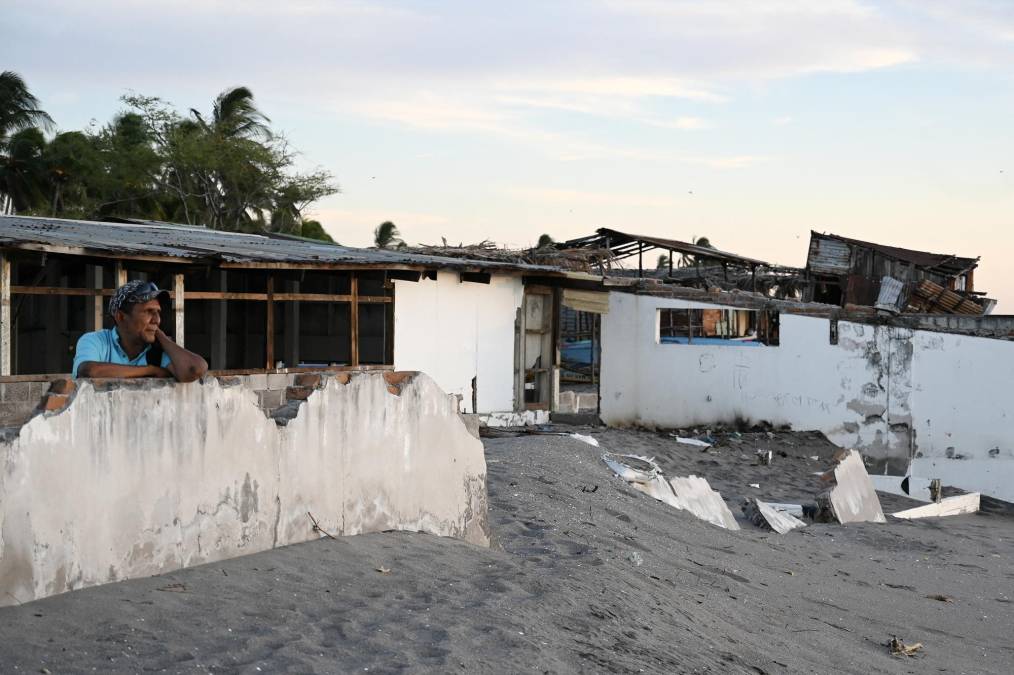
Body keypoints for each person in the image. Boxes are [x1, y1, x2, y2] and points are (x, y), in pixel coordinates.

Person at [72, 280, 208, 383]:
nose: (157, 320)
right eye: (149, 311)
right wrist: (151, 370)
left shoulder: (158, 351)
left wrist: (161, 336)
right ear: (121, 317)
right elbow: (88, 372)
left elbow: (195, 369)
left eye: (158, 312)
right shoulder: (96, 341)